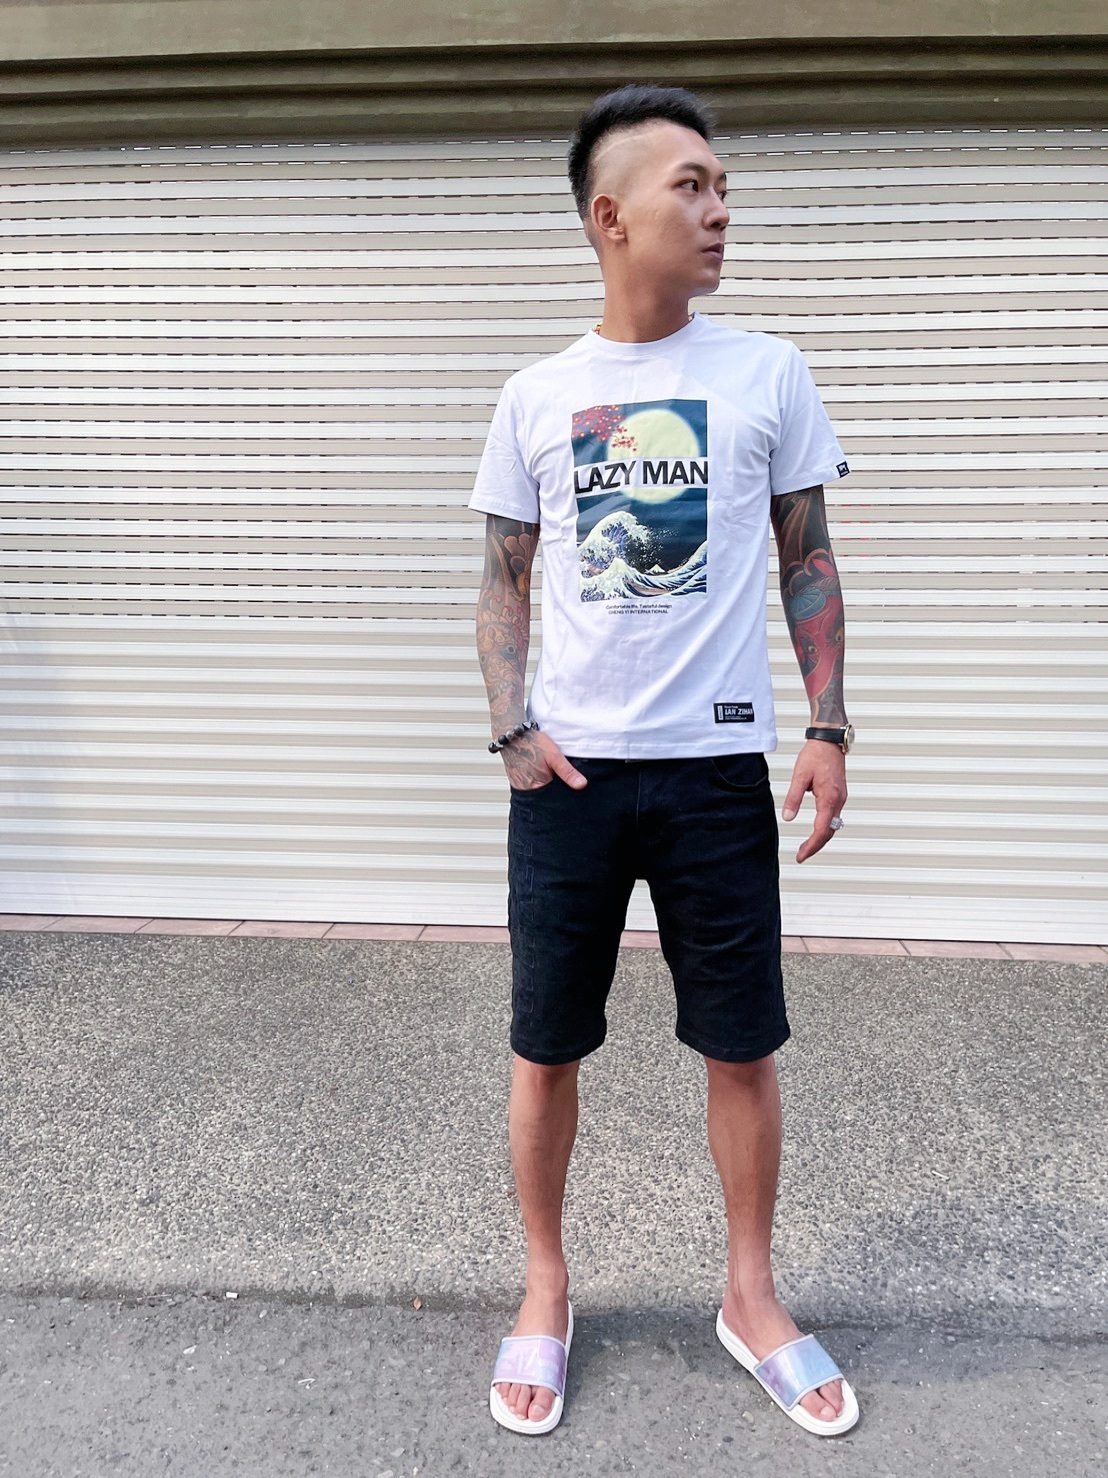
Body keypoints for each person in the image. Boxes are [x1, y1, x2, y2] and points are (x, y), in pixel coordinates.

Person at [470, 83, 859, 1439]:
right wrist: (513, 729)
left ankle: (751, 1294)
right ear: (610, 216)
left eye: (724, 186)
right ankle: (546, 1282)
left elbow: (809, 561)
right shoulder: (537, 396)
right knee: (545, 1046)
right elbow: (502, 579)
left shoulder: (768, 373)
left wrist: (829, 727)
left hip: (713, 775)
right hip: (571, 785)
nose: (719, 208)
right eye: (691, 186)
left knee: (742, 1046)